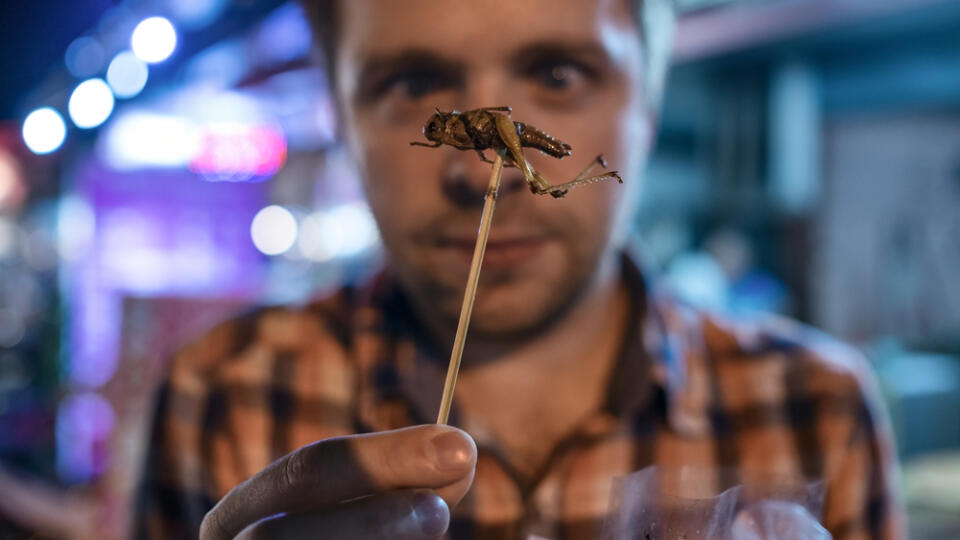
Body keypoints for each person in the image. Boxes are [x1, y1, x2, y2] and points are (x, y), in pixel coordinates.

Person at [135, 0, 905, 538]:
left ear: (650, 96)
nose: (483, 176)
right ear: (338, 111)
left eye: (560, 74)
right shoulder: (221, 394)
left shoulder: (821, 410)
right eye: (409, 83)